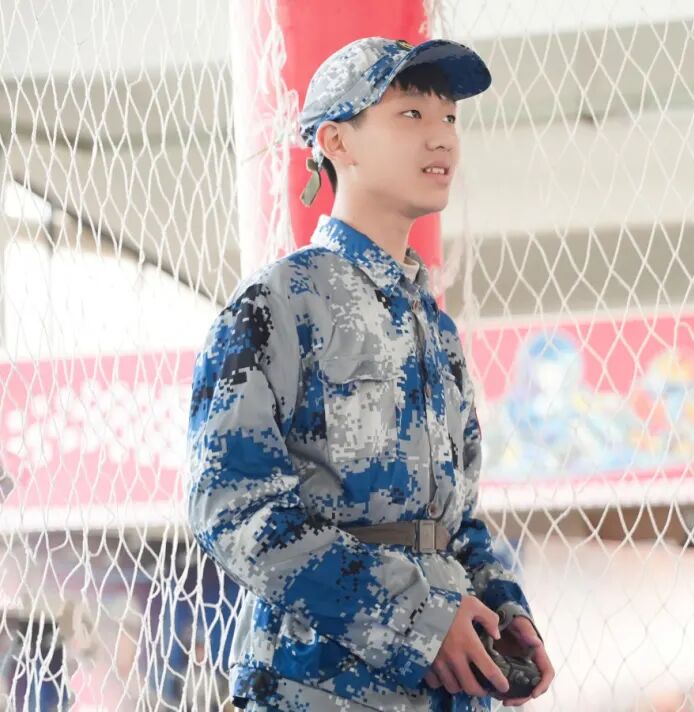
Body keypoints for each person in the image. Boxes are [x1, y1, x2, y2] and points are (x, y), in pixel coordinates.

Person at [186, 36, 555, 711]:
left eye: (450, 118)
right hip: (315, 689)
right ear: (337, 141)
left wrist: (504, 607)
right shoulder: (277, 304)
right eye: (411, 114)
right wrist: (418, 622)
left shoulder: (435, 330)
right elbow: (232, 509)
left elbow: (454, 523)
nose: (442, 138)